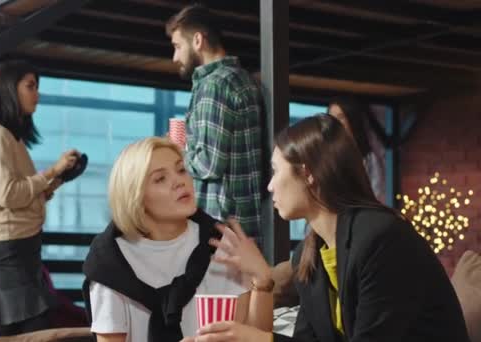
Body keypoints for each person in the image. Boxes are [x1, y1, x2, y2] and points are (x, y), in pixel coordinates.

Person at [184, 114, 470, 342]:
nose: (270, 186)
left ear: (307, 173)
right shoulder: (310, 254)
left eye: (275, 171)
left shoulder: (382, 239)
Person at [82, 137, 273, 342]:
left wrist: (262, 280)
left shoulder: (222, 244)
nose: (179, 181)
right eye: (160, 179)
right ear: (135, 197)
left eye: (181, 170)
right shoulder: (110, 263)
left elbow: (254, 338)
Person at [0, 60, 82, 336]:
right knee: (34, 327)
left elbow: (25, 195)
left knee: (21, 327)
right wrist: (53, 170)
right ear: (10, 89)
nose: (37, 94)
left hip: (21, 246)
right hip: (9, 249)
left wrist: (59, 178)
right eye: (30, 86)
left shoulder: (12, 138)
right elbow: (9, 195)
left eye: (37, 86)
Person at [165, 4, 265, 244]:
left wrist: (175, 152)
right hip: (240, 230)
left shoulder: (215, 85)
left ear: (197, 40)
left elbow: (209, 163)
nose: (175, 57)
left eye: (178, 47)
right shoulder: (240, 79)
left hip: (219, 232)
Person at [327, 97, 386, 202]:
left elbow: (376, 192)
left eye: (340, 117)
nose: (335, 122)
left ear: (351, 119)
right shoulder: (326, 154)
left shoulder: (368, 157)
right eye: (331, 117)